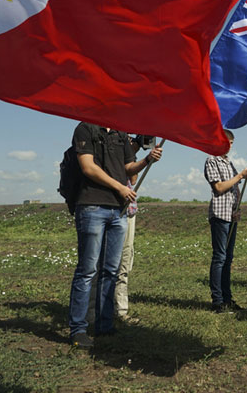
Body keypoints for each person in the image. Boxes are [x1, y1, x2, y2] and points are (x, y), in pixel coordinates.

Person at [68, 123, 161, 350]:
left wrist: (147, 160)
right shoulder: (85, 128)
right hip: (92, 206)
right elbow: (88, 167)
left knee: (111, 270)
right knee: (87, 270)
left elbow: (128, 167)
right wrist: (119, 187)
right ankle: (78, 329)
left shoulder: (120, 134)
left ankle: (105, 324)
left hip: (118, 211)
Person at [204, 129, 247, 312]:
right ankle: (217, 300)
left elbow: (234, 188)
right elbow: (219, 187)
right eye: (227, 142)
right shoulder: (212, 160)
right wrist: (240, 176)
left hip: (231, 215)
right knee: (220, 257)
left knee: (228, 258)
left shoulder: (228, 162)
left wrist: (236, 208)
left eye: (232, 143)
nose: (230, 146)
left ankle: (227, 297)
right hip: (219, 214)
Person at [113, 134, 159, 323]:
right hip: (111, 208)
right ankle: (94, 312)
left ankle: (120, 310)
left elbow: (132, 178)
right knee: (104, 264)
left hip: (128, 211)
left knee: (124, 262)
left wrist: (133, 153)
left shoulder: (128, 148)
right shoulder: (110, 141)